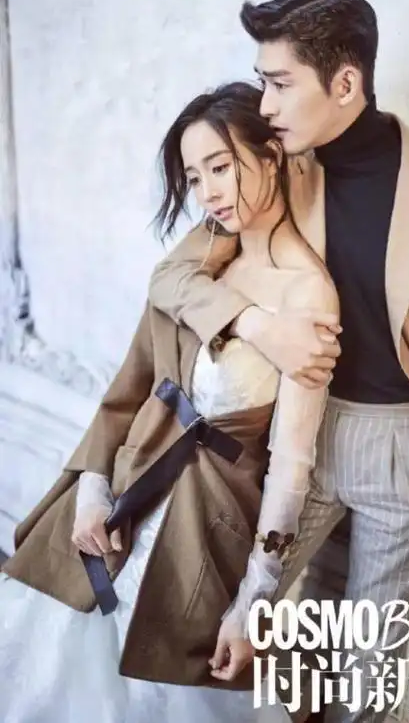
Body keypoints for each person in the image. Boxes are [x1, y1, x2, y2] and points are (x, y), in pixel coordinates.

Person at [147, 0, 409, 722]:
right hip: (299, 433)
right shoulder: (272, 169)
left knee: (367, 678)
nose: (264, 104)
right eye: (262, 82)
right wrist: (254, 323)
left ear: (345, 83)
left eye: (279, 84)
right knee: (232, 623)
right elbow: (173, 278)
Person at [0, 81, 340, 723]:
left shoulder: (309, 297)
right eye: (194, 176)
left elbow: (291, 470)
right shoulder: (203, 254)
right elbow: (133, 382)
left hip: (205, 532)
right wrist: (93, 487)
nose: (208, 191)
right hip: (125, 500)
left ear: (271, 156)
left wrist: (254, 604)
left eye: (221, 166)